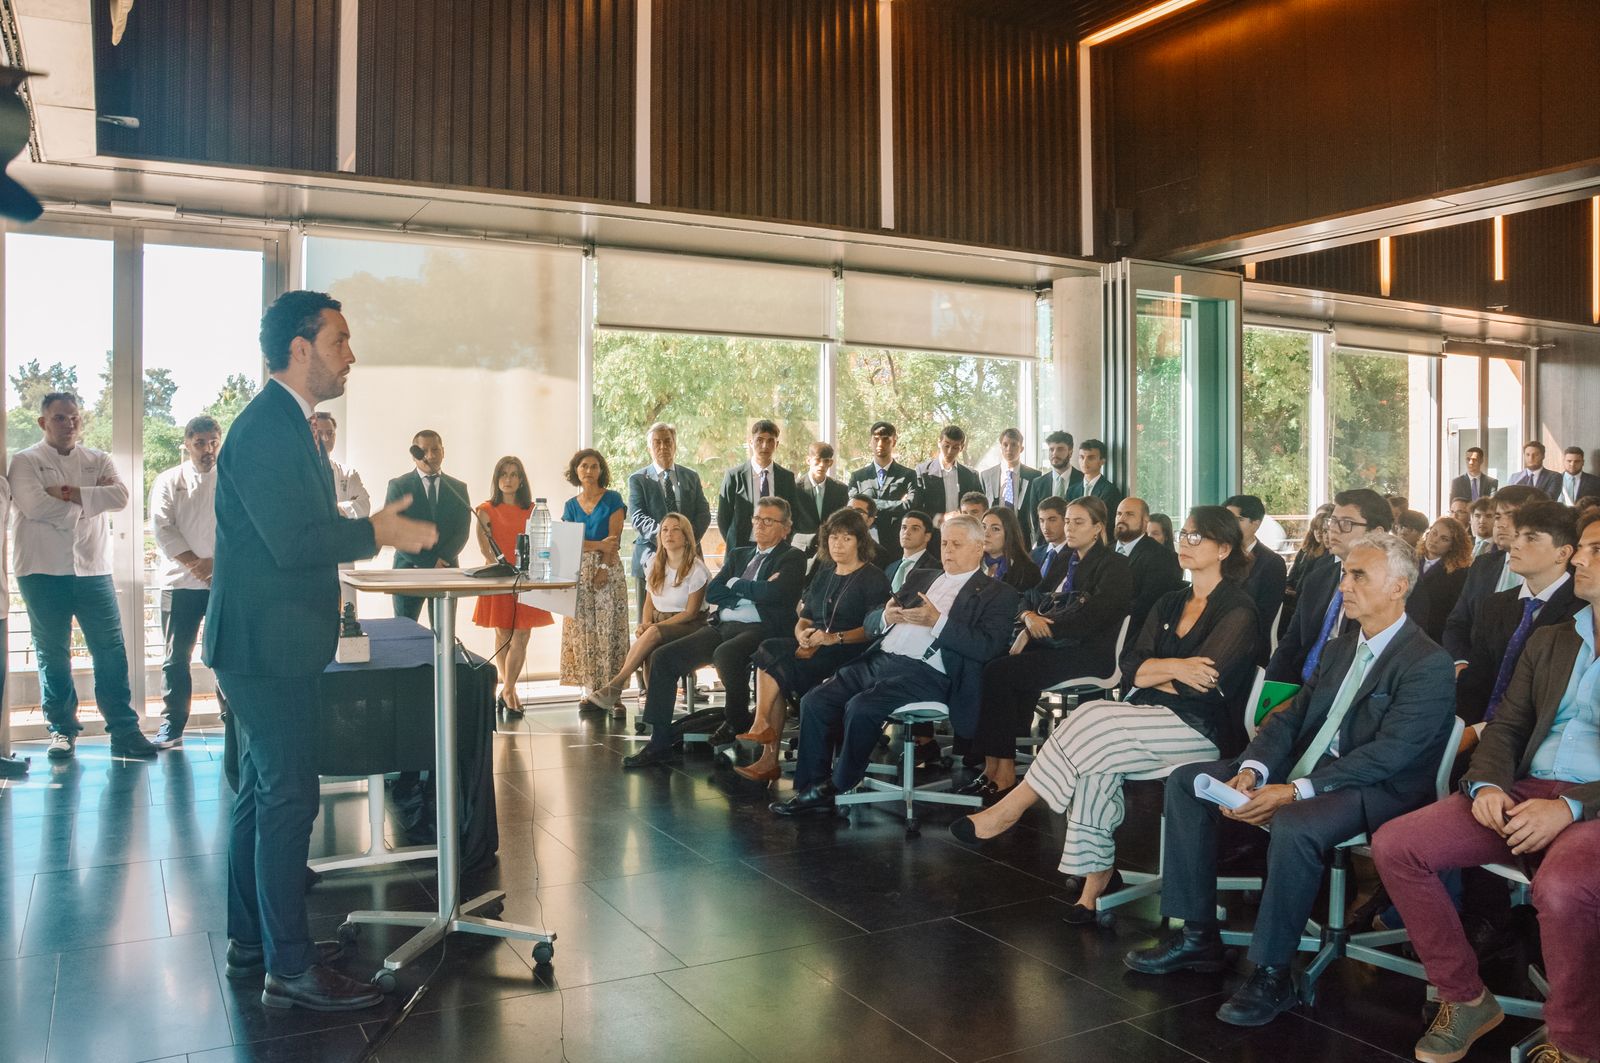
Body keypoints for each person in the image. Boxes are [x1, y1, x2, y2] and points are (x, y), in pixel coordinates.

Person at [205, 290, 436, 1011]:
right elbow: (295, 541)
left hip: (262, 643)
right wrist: (379, 532)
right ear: (300, 349)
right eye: (340, 340)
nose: (351, 355)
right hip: (264, 650)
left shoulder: (284, 424)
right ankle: (292, 970)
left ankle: (256, 943)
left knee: (259, 796)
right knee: (286, 799)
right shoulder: (269, 427)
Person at [1124, 533, 1455, 1029]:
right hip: (1309, 770)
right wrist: (1254, 769)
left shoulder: (1427, 662)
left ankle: (1274, 972)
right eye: (1345, 573)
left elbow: (1391, 755)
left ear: (1399, 587)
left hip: (1376, 790)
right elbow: (1290, 718)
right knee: (1188, 782)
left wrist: (1294, 789)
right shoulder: (1343, 648)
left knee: (1296, 822)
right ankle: (1198, 936)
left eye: (1359, 575)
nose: (1344, 584)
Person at [955, 506, 1257, 921]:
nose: (1183, 544)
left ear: (1224, 548)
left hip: (1199, 728)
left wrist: (1161, 671)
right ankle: (1096, 884)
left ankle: (1011, 809)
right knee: (1097, 760)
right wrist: (1173, 668)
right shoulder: (1171, 601)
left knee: (1095, 718)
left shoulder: (1238, 610)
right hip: (1147, 714)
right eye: (1182, 535)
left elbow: (1201, 688)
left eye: (1195, 538)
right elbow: (1133, 664)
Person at [1371, 513, 1600, 1063]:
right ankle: (1466, 997)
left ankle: (1574, 1041)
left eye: (1594, 549)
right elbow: (1508, 726)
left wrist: (1571, 807)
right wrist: (1487, 785)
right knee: (1397, 845)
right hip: (1525, 788)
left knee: (1562, 889)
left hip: (1590, 803)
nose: (1579, 558)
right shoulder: (1553, 640)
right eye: (1583, 547)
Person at [772, 515, 1019, 816]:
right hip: (880, 658)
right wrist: (886, 617)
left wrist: (937, 622)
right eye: (944, 543)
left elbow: (988, 646)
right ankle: (812, 787)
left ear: (979, 547)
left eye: (956, 544)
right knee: (815, 700)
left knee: (861, 707)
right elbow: (872, 619)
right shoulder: (921, 576)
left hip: (928, 673)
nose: (948, 551)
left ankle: (838, 785)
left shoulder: (998, 594)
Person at [9, 392, 158, 760]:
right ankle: (62, 731)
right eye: (60, 418)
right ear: (43, 423)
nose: (69, 424)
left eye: (74, 417)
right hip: (42, 571)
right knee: (53, 654)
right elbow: (32, 504)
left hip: (93, 570)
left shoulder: (98, 458)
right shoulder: (25, 461)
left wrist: (68, 494)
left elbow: (121, 496)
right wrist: (89, 502)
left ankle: (124, 730)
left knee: (110, 651)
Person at [962, 496, 1134, 797]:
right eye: (1067, 521)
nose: (1069, 528)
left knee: (1000, 672)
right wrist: (1028, 618)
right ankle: (992, 765)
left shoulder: (1115, 566)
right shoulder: (1064, 559)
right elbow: (1029, 596)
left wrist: (1036, 630)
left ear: (1097, 528)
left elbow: (1091, 619)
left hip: (1087, 653)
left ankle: (1003, 771)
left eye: (1078, 522)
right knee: (987, 662)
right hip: (1050, 645)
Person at [623, 498, 806, 768]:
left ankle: (736, 719)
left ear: (786, 528)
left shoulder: (791, 557)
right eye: (757, 519)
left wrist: (736, 586)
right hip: (723, 624)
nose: (760, 526)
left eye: (769, 521)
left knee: (725, 654)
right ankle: (659, 742)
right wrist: (747, 589)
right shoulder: (738, 554)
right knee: (663, 657)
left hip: (762, 629)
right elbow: (715, 591)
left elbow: (776, 593)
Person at [735, 508, 891, 782]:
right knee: (769, 650)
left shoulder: (873, 577)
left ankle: (767, 752)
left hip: (849, 653)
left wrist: (833, 638)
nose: (838, 545)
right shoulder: (825, 572)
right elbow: (804, 618)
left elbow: (873, 629)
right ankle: (763, 733)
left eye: (846, 539)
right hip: (814, 646)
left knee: (775, 669)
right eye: (833, 538)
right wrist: (801, 634)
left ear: (860, 542)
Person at [1455, 501, 1582, 729]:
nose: (1516, 545)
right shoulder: (1496, 605)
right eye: (1517, 536)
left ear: (1563, 553)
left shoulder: (1580, 612)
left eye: (1531, 538)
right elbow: (1476, 682)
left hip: (1532, 736)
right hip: (1473, 726)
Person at [584, 513, 710, 717]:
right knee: (651, 651)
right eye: (665, 529)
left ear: (686, 536)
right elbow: (649, 601)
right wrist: (645, 623)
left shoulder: (697, 569)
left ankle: (615, 685)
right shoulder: (654, 564)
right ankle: (656, 712)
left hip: (690, 624)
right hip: (660, 622)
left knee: (653, 634)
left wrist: (654, 628)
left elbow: (691, 612)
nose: (669, 534)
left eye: (676, 529)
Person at [1266, 488, 1392, 684]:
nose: (1333, 529)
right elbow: (1291, 642)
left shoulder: (1391, 589)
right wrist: (1271, 689)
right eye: (1332, 521)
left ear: (1377, 533)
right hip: (1298, 685)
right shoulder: (1319, 577)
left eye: (1346, 523)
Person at [148, 415, 223, 747]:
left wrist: (216, 564)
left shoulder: (231, 479)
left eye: (213, 442)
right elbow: (163, 528)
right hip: (179, 582)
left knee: (226, 652)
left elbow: (241, 526)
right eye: (200, 443)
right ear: (187, 444)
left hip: (223, 580)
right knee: (176, 657)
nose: (208, 449)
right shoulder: (168, 480)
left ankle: (232, 718)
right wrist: (196, 563)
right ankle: (172, 723)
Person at [469, 456, 554, 716]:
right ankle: (510, 691)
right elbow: (485, 546)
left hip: (527, 579)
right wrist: (502, 566)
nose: (508, 479)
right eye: (503, 474)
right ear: (496, 479)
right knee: (503, 633)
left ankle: (508, 689)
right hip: (499, 577)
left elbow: (543, 543)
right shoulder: (485, 509)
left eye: (514, 474)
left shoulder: (533, 509)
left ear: (521, 480)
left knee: (523, 635)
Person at [1442, 485, 1547, 662]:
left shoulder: (1551, 573)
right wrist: (1461, 663)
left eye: (1512, 515)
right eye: (1498, 516)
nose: (1501, 523)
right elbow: (1457, 624)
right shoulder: (1482, 566)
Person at [560, 449, 629, 701]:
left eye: (594, 466)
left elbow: (614, 541)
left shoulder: (612, 499)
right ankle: (590, 691)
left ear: (601, 471)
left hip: (606, 570)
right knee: (584, 630)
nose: (588, 471)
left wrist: (603, 567)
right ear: (576, 470)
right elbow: (568, 542)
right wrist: (598, 544)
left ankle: (614, 693)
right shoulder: (570, 505)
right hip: (578, 571)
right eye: (583, 466)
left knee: (609, 629)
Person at [385, 429, 471, 621]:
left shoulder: (458, 488)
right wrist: (430, 562)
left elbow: (462, 531)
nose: (431, 456)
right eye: (424, 450)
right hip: (408, 570)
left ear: (443, 452)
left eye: (435, 449)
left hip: (446, 569)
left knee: (444, 632)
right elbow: (394, 531)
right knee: (404, 633)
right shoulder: (399, 486)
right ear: (414, 454)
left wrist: (442, 560)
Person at [627, 421, 712, 611]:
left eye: (667, 441)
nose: (663, 447)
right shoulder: (638, 480)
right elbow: (638, 516)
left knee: (692, 616)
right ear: (649, 447)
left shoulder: (691, 476)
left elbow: (703, 513)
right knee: (648, 620)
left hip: (690, 556)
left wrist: (687, 539)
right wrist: (667, 537)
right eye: (657, 442)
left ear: (675, 445)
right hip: (651, 554)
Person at [309, 412, 372, 611]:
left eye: (331, 433)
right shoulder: (299, 473)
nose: (326, 438)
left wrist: (334, 509)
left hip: (342, 551)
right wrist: (343, 509)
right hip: (312, 553)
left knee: (347, 612)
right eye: (321, 433)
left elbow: (363, 507)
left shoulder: (347, 473)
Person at [1226, 494, 1288, 666]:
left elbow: (1263, 617)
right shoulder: (1219, 554)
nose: (1230, 525)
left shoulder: (1271, 563)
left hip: (1248, 648)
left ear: (1255, 523)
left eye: (1237, 519)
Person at [717, 419, 797, 551]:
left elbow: (792, 515)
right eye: (759, 440)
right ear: (750, 442)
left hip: (776, 547)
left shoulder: (786, 477)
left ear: (777, 444)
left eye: (770, 441)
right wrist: (733, 542)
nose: (765, 446)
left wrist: (784, 540)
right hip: (741, 547)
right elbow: (723, 518)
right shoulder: (734, 476)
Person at [847, 421, 918, 567]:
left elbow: (911, 505)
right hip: (863, 542)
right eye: (876, 439)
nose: (880, 443)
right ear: (870, 441)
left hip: (894, 542)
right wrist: (898, 504)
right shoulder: (858, 476)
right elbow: (853, 506)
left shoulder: (908, 475)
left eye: (886, 439)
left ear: (894, 442)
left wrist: (869, 504)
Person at [1112, 496, 1185, 634]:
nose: (1122, 518)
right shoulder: (1104, 551)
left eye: (1130, 514)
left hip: (1134, 634)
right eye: (1119, 514)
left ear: (1145, 522)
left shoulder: (1163, 558)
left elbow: (1148, 606)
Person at [1405, 516, 1474, 645]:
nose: (1435, 540)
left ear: (1453, 546)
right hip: (1404, 629)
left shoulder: (1460, 574)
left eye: (1444, 539)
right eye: (1434, 533)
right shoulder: (1409, 561)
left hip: (1434, 636)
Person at [1019, 430, 1082, 546]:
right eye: (1051, 449)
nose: (1054, 453)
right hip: (1047, 546)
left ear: (1071, 452)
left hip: (1076, 545)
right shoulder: (1038, 483)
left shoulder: (1082, 481)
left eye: (1060, 449)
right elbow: (1036, 519)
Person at [1280, 504, 1334, 638]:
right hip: (1294, 598)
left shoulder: (1329, 558)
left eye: (1324, 530)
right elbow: (1292, 577)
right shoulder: (1305, 551)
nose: (1319, 533)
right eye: (1316, 528)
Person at [914, 424, 983, 521]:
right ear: (939, 442)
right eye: (946, 446)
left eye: (955, 447)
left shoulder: (971, 475)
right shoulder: (922, 472)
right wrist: (942, 518)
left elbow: (980, 506)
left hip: (963, 531)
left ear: (962, 447)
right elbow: (916, 507)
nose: (950, 451)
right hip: (932, 532)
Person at [791, 441, 849, 543]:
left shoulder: (841, 490)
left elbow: (842, 522)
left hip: (830, 547)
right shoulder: (794, 488)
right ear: (808, 460)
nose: (822, 465)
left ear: (831, 463)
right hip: (802, 548)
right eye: (817, 460)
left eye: (826, 461)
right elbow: (789, 522)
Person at [979, 505, 1040, 592]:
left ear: (1009, 534)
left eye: (995, 529)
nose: (986, 533)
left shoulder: (1028, 571)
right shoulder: (972, 564)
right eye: (983, 527)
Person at [979, 427, 1040, 511]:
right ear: (1001, 447)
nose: (1009, 449)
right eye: (1005, 445)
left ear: (1021, 449)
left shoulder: (1034, 476)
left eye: (1014, 444)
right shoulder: (986, 476)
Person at [884, 510, 940, 591]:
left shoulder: (935, 568)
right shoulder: (890, 568)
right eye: (904, 527)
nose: (906, 532)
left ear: (927, 536)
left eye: (914, 529)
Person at [1067, 439, 1125, 509]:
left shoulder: (1110, 491)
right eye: (1081, 457)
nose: (1084, 462)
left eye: (1090, 458)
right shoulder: (1072, 490)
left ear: (1102, 461)